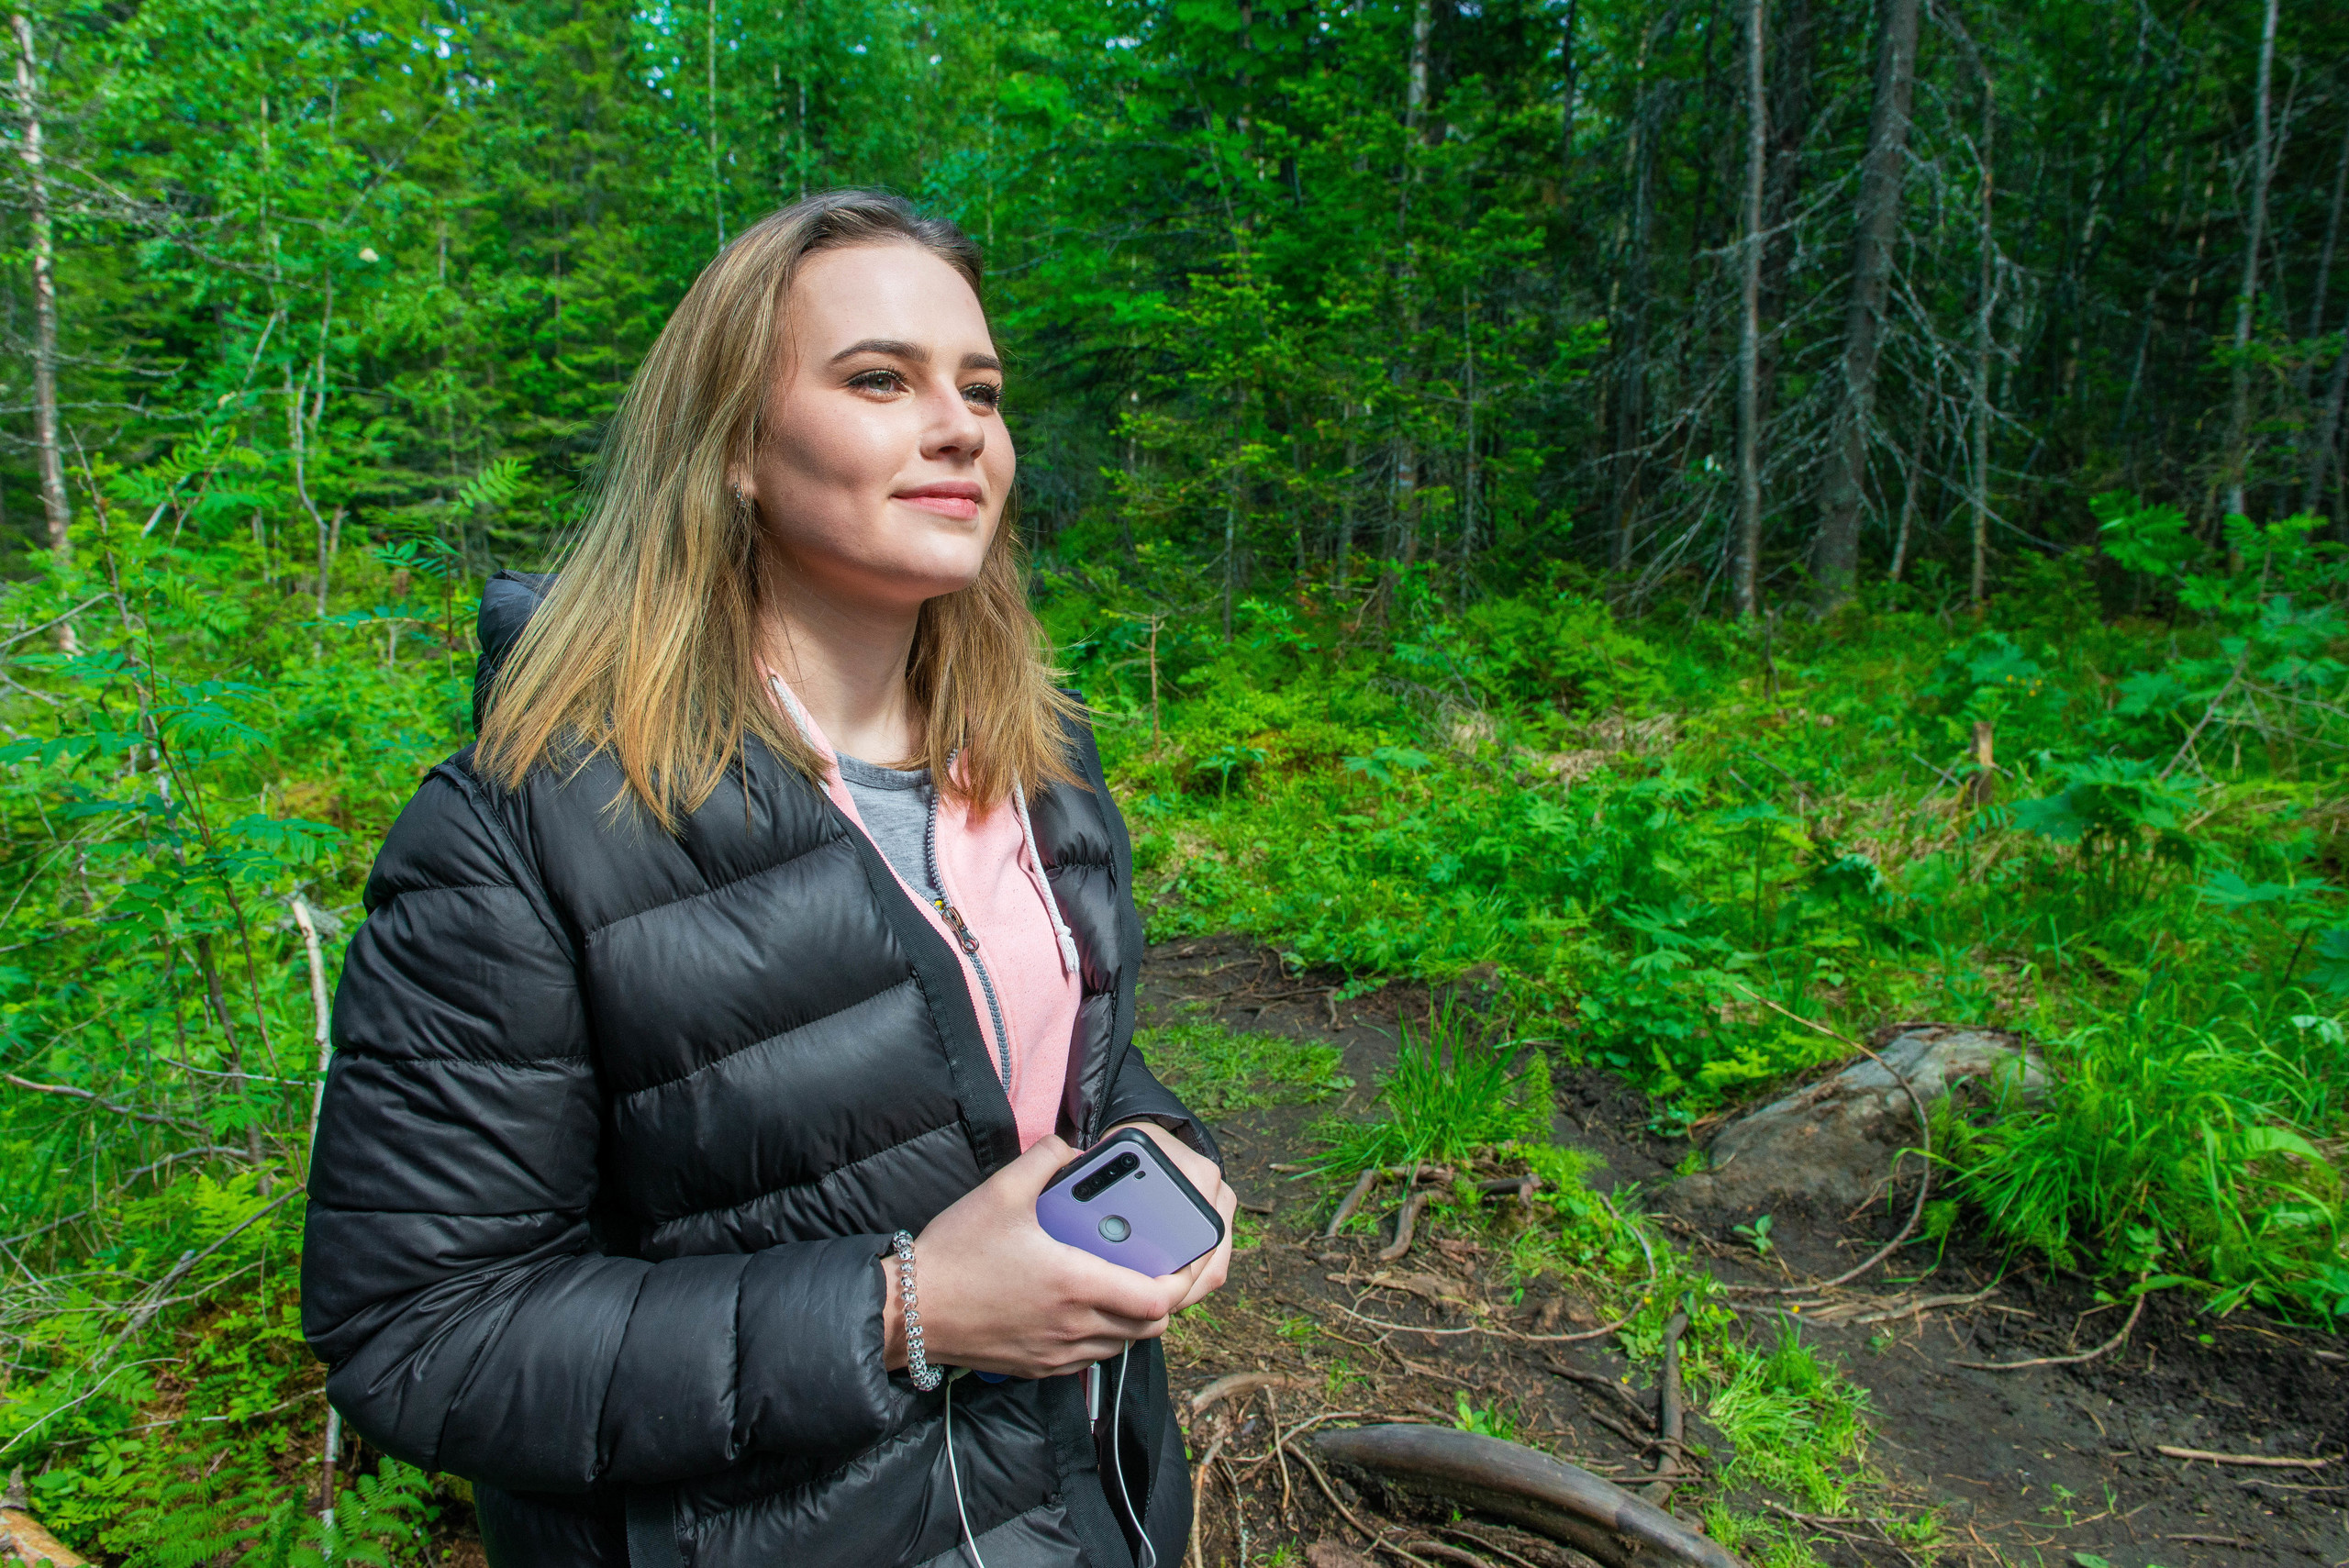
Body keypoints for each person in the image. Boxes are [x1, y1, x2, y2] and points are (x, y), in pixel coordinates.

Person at [301, 188, 1237, 1568]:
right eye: (880, 379)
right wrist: (905, 1311)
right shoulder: (522, 828)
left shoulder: (1038, 759)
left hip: (1087, 1499)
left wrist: (1165, 1148)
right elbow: (421, 1331)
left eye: (981, 387)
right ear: (735, 446)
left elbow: (1058, 1075)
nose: (960, 426)